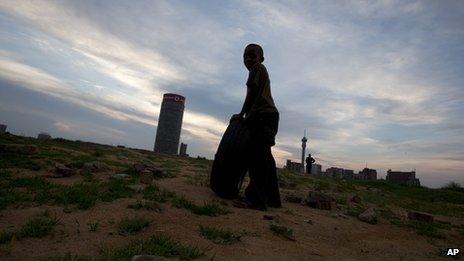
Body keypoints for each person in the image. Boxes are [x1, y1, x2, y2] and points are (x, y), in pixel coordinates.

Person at [232, 43, 281, 210]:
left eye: (252, 55)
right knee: (266, 159)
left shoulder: (257, 68)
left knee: (256, 159)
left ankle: (255, 200)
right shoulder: (260, 70)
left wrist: (242, 114)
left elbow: (252, 95)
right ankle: (272, 199)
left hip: (263, 116)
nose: (248, 59)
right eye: (245, 55)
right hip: (270, 116)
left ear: (261, 58)